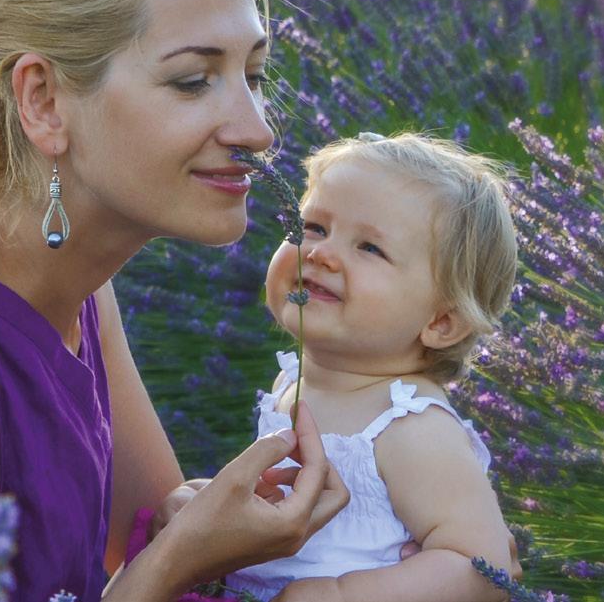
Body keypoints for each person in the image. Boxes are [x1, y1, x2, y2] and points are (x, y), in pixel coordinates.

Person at [0, 0, 355, 599]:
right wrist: (176, 558)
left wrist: (202, 531)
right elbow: (160, 564)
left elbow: (149, 527)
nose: (258, 131)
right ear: (43, 99)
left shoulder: (74, 279)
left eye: (254, 75)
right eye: (192, 81)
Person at [155, 132, 525, 601]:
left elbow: (483, 568)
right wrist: (205, 506)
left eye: (369, 248)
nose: (320, 253)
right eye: (313, 227)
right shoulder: (293, 382)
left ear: (441, 322)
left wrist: (337, 593)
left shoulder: (412, 428)